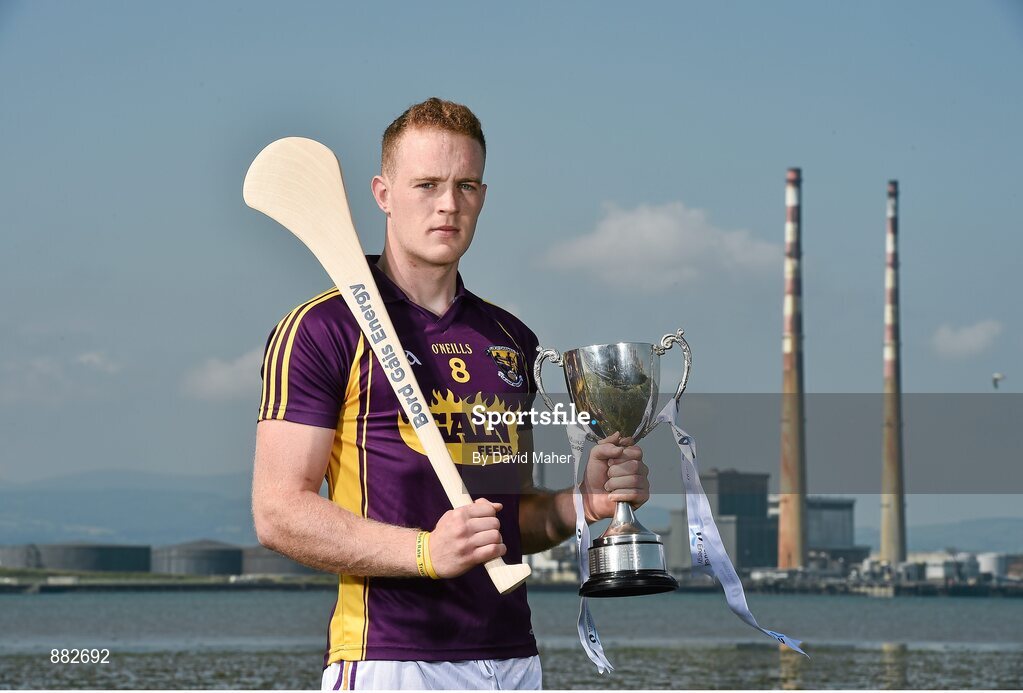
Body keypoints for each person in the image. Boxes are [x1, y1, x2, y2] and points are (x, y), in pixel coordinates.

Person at [251, 97, 650, 690]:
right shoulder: (322, 329)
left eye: (465, 185)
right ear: (383, 194)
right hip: (390, 660)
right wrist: (424, 552)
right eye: (426, 184)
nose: (447, 204)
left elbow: (509, 519)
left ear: (483, 197)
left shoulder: (510, 338)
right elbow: (279, 512)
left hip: (513, 659)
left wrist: (580, 504)